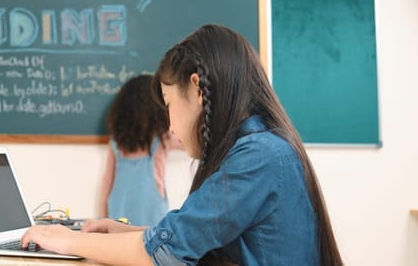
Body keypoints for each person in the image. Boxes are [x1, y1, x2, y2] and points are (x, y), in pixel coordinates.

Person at [21, 24, 343, 265]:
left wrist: (67, 241)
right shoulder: (258, 147)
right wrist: (122, 232)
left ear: (197, 91)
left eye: (168, 103)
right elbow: (192, 235)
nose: (170, 124)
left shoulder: (259, 156)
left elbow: (170, 250)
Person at [100, 74, 183, 226]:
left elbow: (107, 182)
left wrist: (101, 219)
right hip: (151, 216)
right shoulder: (164, 138)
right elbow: (190, 140)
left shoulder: (116, 142)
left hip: (118, 211)